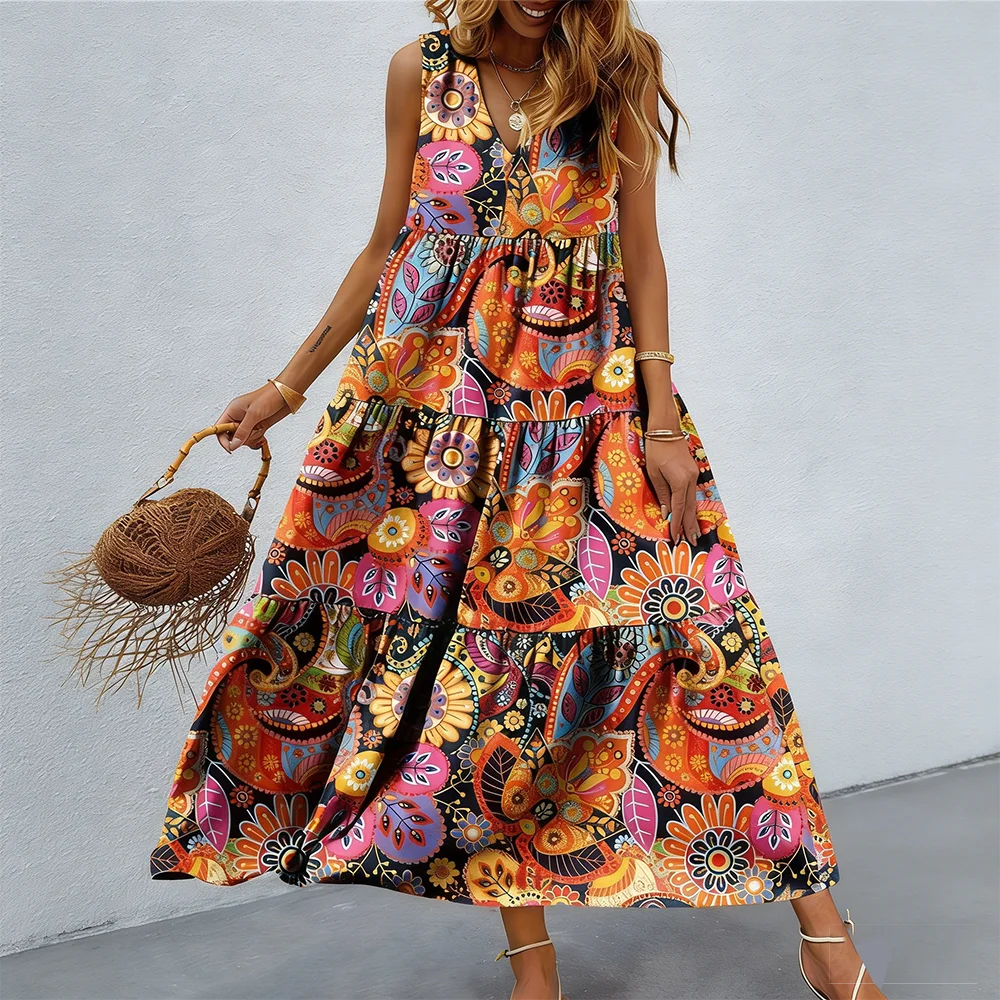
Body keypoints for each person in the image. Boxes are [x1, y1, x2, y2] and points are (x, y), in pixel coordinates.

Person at [150, 3, 886, 999]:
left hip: (586, 400)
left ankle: (827, 941)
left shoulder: (615, 69)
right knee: (485, 681)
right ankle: (533, 970)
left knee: (713, 642)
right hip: (440, 412)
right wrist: (286, 388)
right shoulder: (421, 71)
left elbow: (641, 253)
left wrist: (661, 420)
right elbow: (386, 246)